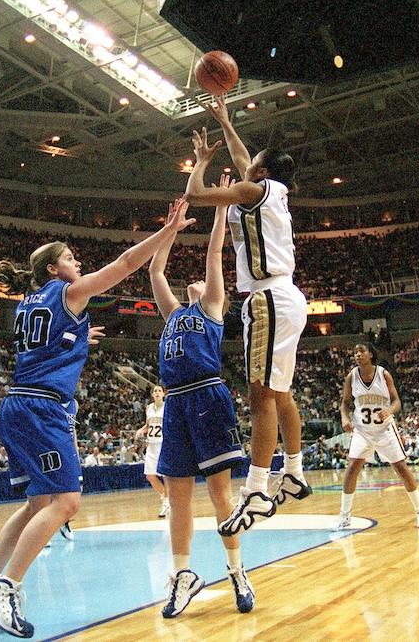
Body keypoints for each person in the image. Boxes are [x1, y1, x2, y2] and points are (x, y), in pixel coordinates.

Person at [0, 198, 196, 638]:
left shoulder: (28, 303)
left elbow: (46, 343)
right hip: (42, 409)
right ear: (53, 269)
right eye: (70, 258)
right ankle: (6, 589)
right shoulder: (66, 292)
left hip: (16, 405)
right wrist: (169, 231)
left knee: (37, 504)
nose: (78, 262)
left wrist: (78, 335)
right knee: (67, 503)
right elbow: (125, 264)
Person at [185, 97, 311, 537]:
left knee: (260, 396)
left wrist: (201, 162)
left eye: (253, 164)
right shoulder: (271, 191)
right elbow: (244, 161)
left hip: (268, 298)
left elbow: (195, 194)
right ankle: (293, 472)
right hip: (287, 296)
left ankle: (257, 489)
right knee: (280, 393)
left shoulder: (253, 190)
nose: (246, 165)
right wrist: (225, 120)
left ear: (262, 172)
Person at [150, 191, 254, 617]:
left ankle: (237, 570)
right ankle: (182, 576)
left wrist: (221, 207)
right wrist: (170, 229)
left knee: (219, 494)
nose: (195, 279)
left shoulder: (211, 307)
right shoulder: (173, 313)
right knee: (178, 498)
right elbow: (156, 269)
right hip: (176, 403)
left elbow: (213, 253)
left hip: (208, 396)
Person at [337, 343, 419, 529]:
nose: (357, 355)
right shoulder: (351, 376)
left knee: (401, 468)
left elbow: (397, 401)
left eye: (361, 351)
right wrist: (345, 418)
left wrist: (389, 410)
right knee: (352, 468)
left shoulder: (383, 374)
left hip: (384, 429)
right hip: (362, 430)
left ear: (371, 354)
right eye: (355, 352)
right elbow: (345, 403)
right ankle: (344, 515)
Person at [134, 385, 169, 518]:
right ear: (152, 394)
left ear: (163, 394)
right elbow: (148, 425)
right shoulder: (148, 408)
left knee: (165, 476)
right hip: (151, 445)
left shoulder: (167, 407)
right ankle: (165, 497)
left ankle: (167, 502)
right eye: (155, 391)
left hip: (163, 444)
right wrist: (141, 430)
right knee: (150, 475)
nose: (157, 392)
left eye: (159, 390)